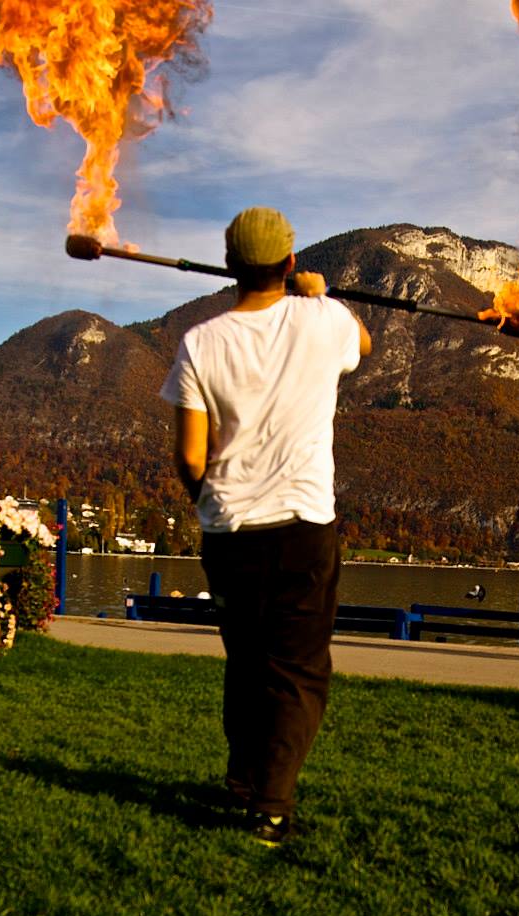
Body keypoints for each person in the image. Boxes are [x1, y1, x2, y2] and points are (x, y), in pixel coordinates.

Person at [161, 206, 372, 846]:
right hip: (303, 524)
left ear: (229, 266)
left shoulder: (200, 342)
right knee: (298, 668)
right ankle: (270, 803)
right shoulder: (324, 320)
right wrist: (321, 293)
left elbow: (190, 457)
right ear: (288, 261)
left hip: (228, 529)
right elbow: (362, 345)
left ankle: (244, 777)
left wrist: (213, 502)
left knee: (247, 659)